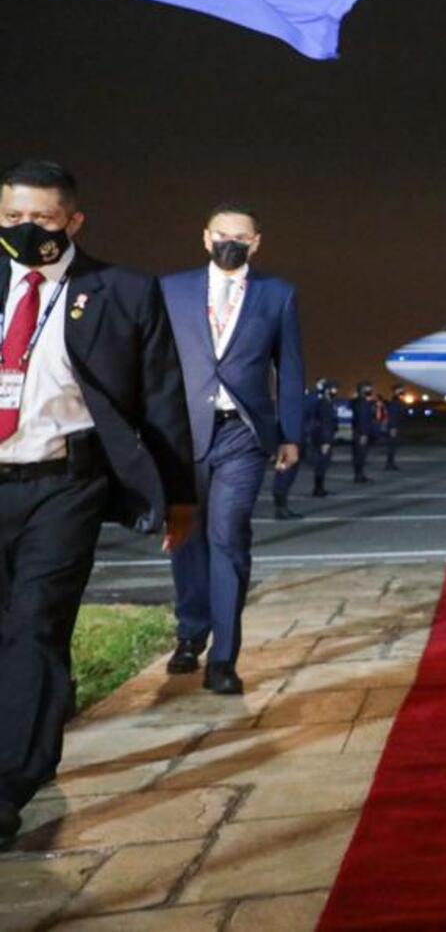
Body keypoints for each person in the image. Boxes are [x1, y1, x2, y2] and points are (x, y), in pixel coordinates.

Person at [0, 161, 195, 847]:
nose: (24, 230)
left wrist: (178, 496)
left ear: (73, 221)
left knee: (34, 624)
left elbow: (163, 397)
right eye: (12, 217)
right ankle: (34, 724)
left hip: (64, 483)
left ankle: (8, 785)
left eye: (42, 219)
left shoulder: (122, 291)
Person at [161, 203, 305, 695]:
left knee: (228, 536)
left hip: (243, 434)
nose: (230, 243)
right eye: (222, 235)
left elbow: (289, 367)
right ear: (205, 238)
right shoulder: (171, 290)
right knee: (185, 534)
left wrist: (290, 433)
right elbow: (153, 363)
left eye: (240, 237)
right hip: (183, 432)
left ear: (256, 243)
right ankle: (190, 631)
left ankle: (224, 657)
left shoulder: (278, 295)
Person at [269, 382, 314, 520]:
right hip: (286, 444)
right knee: (283, 476)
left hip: (293, 443)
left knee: (288, 476)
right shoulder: (284, 408)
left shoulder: (293, 408)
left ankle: (282, 507)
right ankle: (280, 509)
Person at [305, 380, 339, 497]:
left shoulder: (328, 403)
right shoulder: (324, 404)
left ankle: (320, 488)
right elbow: (325, 424)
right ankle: (318, 489)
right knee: (321, 464)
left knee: (323, 465)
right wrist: (325, 441)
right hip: (322, 439)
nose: (335, 391)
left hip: (323, 437)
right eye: (333, 389)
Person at [349, 381, 377, 483]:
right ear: (362, 390)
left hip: (358, 432)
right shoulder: (362, 403)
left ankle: (360, 474)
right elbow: (363, 419)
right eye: (368, 389)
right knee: (360, 455)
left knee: (360, 454)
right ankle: (359, 476)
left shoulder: (359, 402)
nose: (370, 391)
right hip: (361, 433)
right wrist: (364, 434)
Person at [381, 383, 406, 470]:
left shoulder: (398, 401)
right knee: (392, 446)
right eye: (401, 390)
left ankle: (391, 463)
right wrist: (393, 427)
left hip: (396, 427)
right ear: (396, 391)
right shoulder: (395, 402)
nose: (403, 391)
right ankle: (389, 464)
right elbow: (393, 416)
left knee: (394, 446)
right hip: (394, 427)